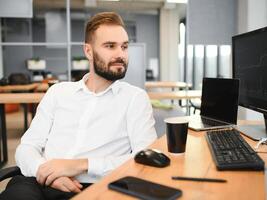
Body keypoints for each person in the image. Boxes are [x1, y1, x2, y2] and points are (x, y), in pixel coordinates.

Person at [0, 12, 157, 200]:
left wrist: (82, 165)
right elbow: (26, 147)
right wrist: (46, 173)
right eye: (110, 46)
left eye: (124, 47)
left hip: (90, 187)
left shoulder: (135, 99)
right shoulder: (58, 92)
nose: (120, 54)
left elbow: (144, 159)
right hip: (36, 180)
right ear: (88, 51)